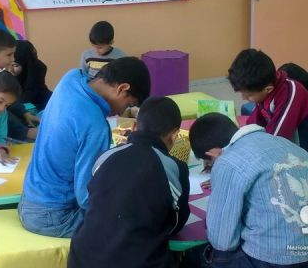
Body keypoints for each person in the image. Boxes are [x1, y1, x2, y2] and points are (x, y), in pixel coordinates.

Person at [19, 57, 151, 238]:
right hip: (54, 216)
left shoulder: (71, 78)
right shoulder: (94, 124)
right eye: (128, 104)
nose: (121, 112)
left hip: (30, 198)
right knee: (138, 224)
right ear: (122, 88)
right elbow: (87, 197)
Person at [68, 97, 190, 268]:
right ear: (175, 135)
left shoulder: (105, 157)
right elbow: (177, 223)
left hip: (82, 258)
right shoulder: (174, 168)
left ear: (133, 127)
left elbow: (94, 201)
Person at [188, 112, 308, 268]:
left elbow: (222, 241)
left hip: (273, 259)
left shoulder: (227, 161)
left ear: (212, 153)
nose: (211, 168)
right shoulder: (286, 143)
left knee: (199, 256)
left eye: (209, 163)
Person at [228, 49, 308, 150]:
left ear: (268, 89)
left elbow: (277, 141)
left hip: (301, 136)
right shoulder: (264, 86)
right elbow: (255, 120)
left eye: (249, 95)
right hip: (280, 129)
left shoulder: (290, 93)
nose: (243, 98)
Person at [10, 40, 52, 111]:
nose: (10, 69)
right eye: (8, 64)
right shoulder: (5, 80)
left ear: (27, 65)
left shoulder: (36, 83)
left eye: (15, 65)